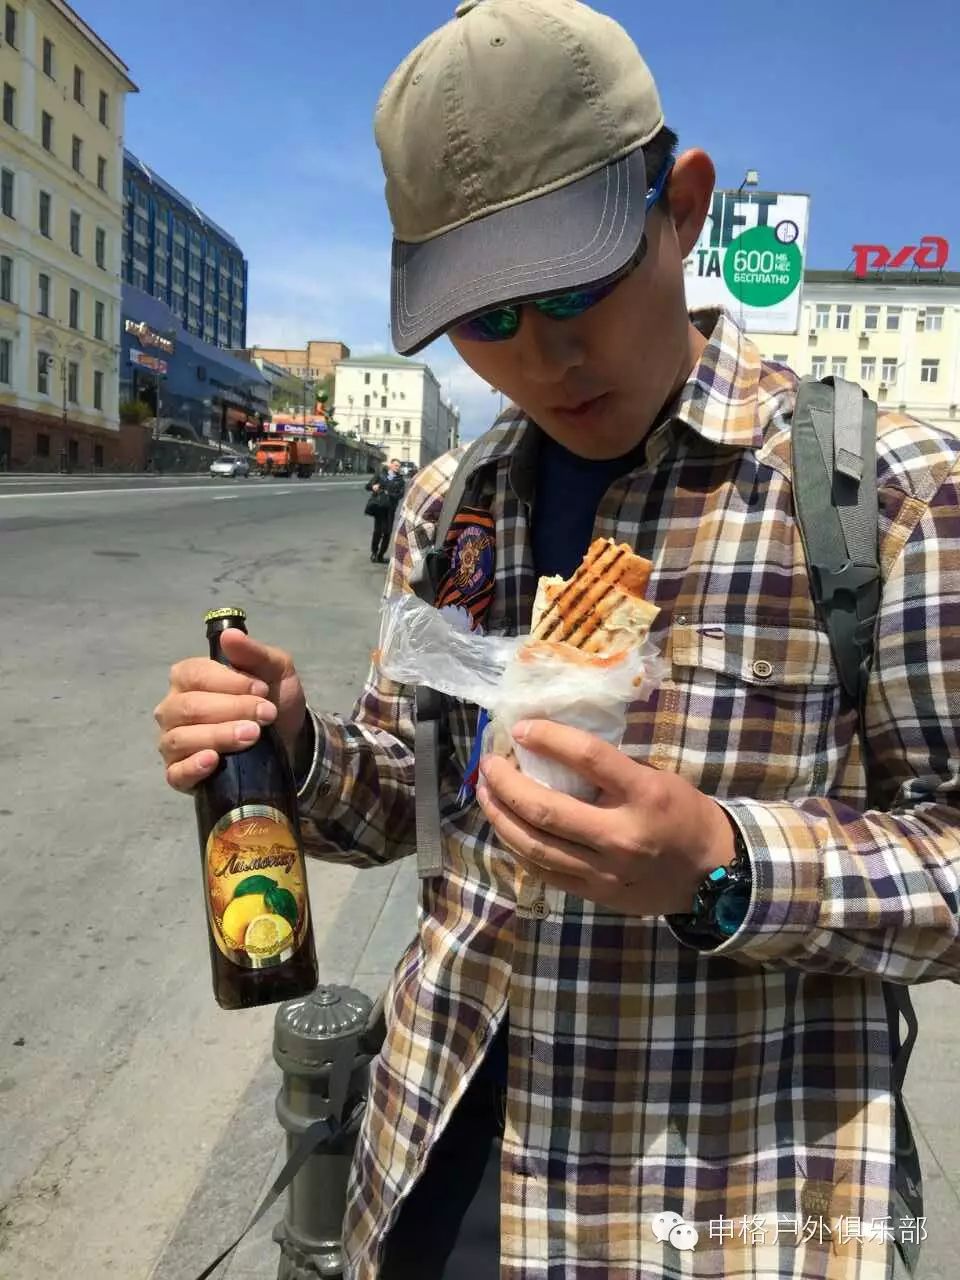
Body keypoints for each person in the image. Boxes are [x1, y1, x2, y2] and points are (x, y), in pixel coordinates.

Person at [153, 3, 960, 1278]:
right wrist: (294, 749)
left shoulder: (887, 499)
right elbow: (417, 809)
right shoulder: (448, 506)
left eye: (578, 287)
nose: (546, 357)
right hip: (426, 1169)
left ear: (681, 208)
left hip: (718, 1204)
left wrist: (725, 863)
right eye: (489, 319)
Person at [364, 473, 393, 564]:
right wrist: (373, 487)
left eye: (398, 466)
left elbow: (400, 494)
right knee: (378, 532)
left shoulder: (399, 479)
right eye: (396, 466)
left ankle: (381, 555)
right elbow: (367, 486)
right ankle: (374, 553)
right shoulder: (380, 475)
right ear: (390, 466)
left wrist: (390, 494)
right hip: (379, 508)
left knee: (387, 533)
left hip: (391, 510)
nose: (398, 467)